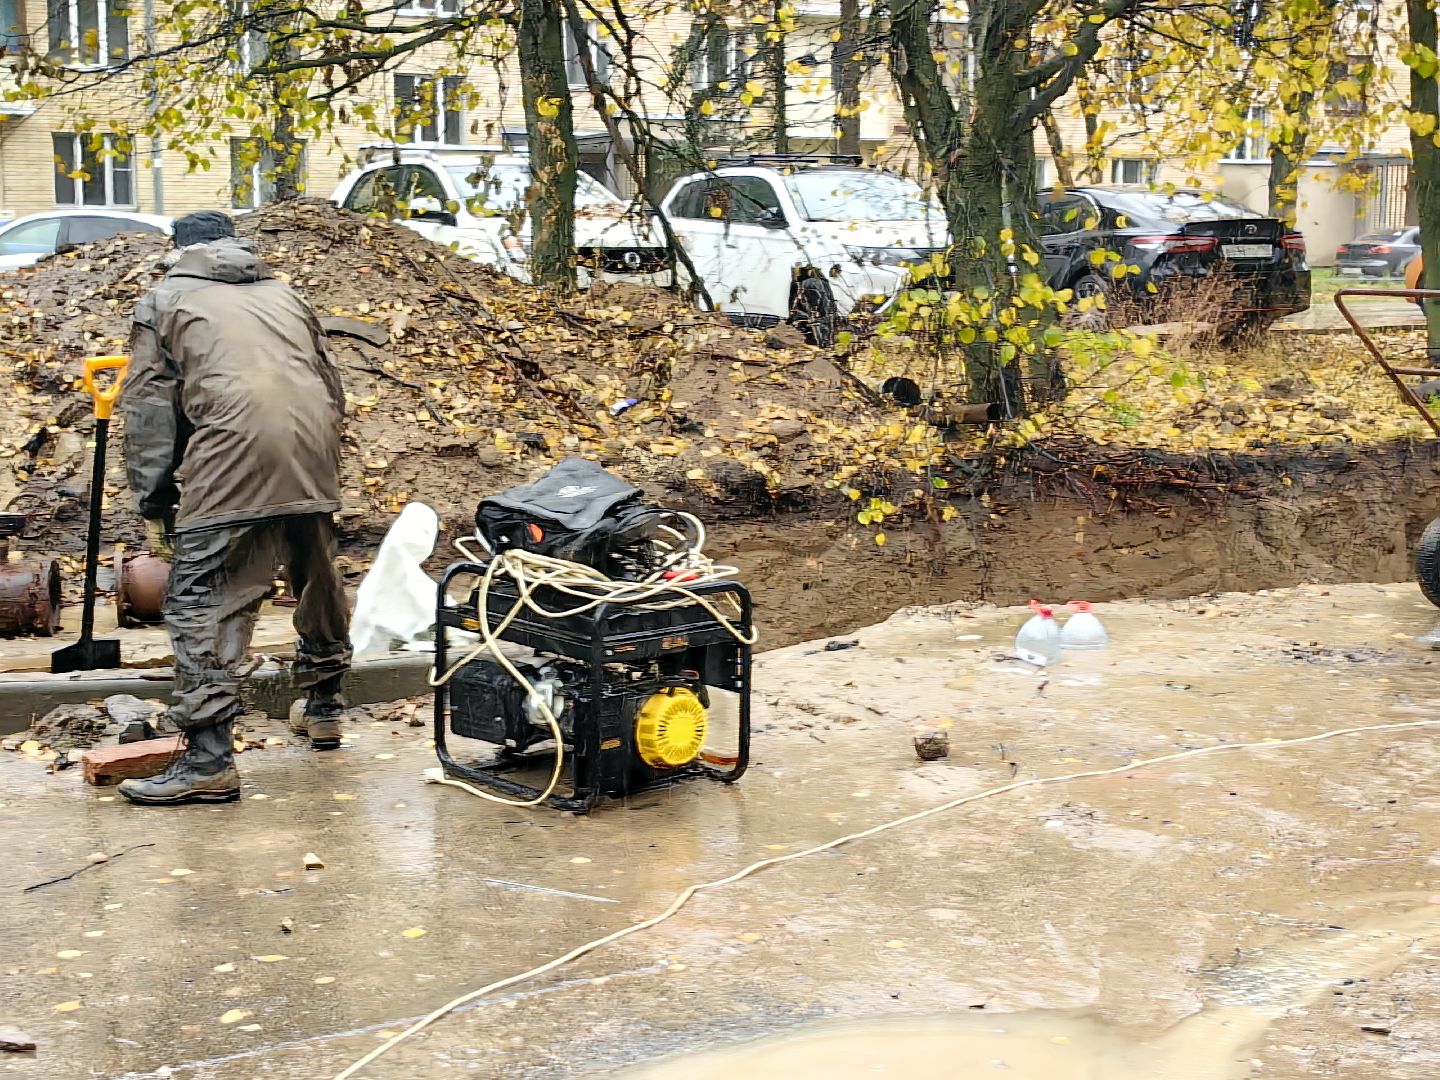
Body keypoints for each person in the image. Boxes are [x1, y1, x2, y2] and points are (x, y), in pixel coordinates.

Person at [117, 210, 353, 807]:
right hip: (312, 447)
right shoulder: (287, 294)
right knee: (316, 575)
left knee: (202, 598)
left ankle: (208, 761)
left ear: (178, 252)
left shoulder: (164, 299)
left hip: (233, 453)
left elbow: (150, 412)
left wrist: (157, 500)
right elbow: (331, 385)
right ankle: (325, 707)